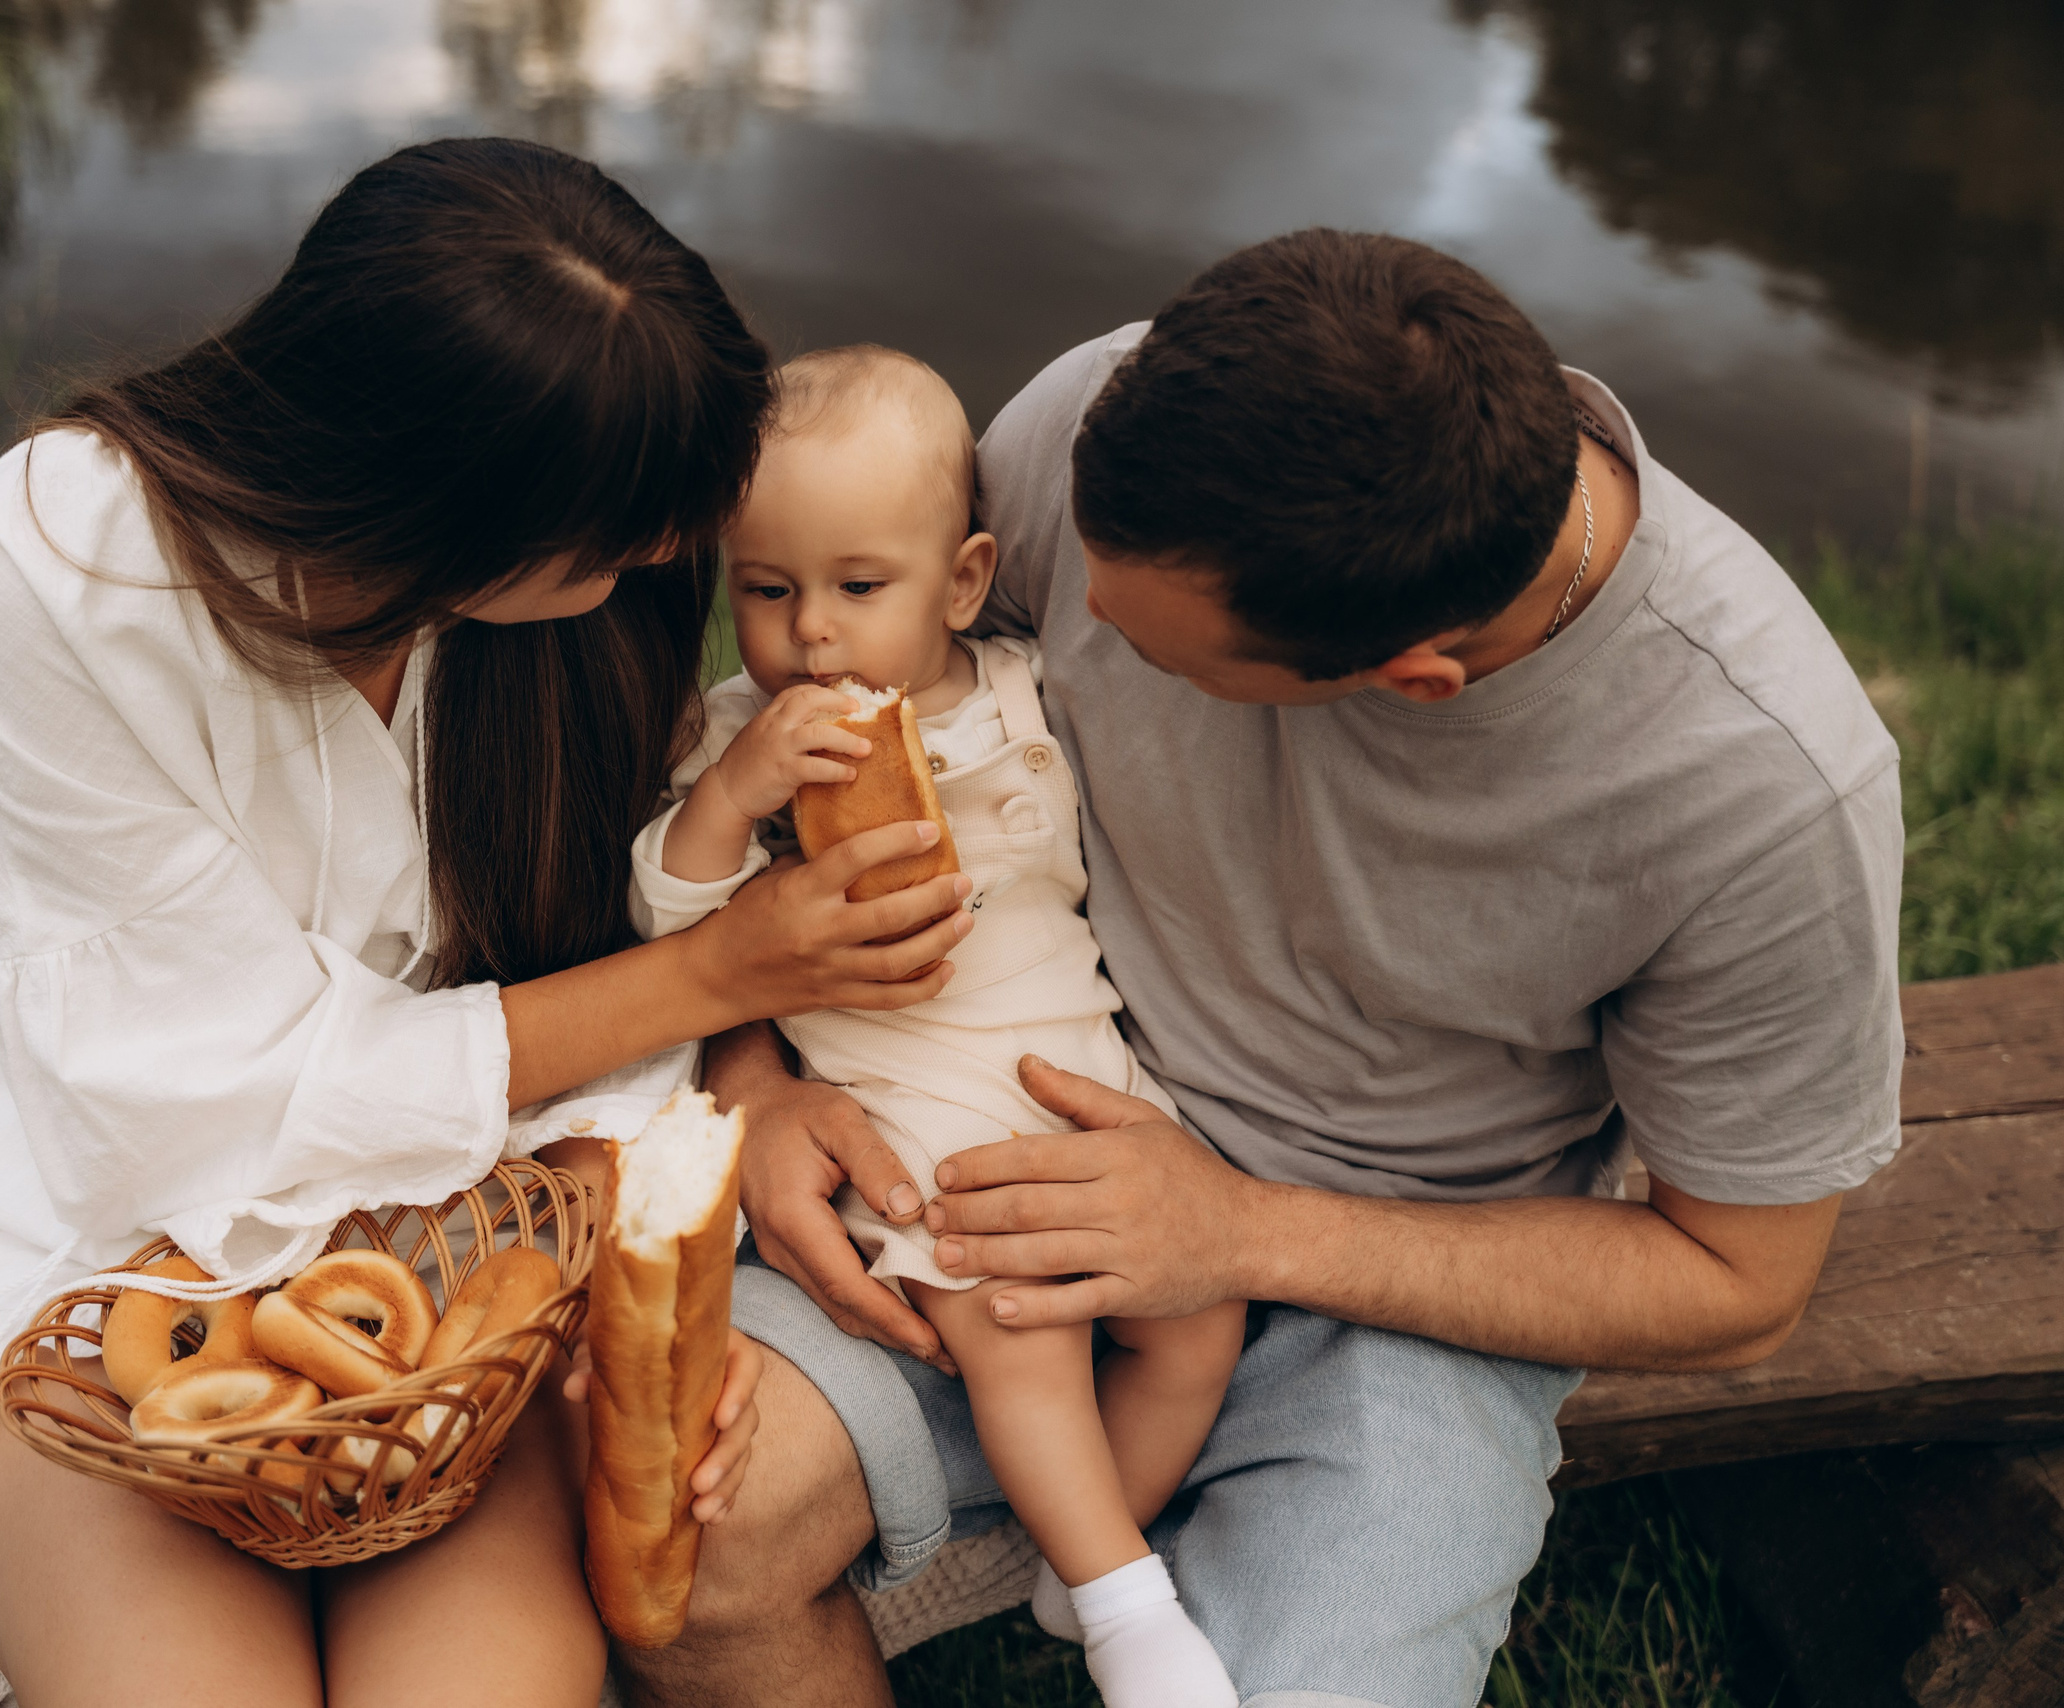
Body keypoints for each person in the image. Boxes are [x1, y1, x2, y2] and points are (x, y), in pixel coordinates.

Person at [616, 230, 1904, 1708]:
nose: (1077, 615)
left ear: (1410, 681)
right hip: (962, 1157)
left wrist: (1236, 1235)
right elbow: (814, 807)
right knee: (689, 1555)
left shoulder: (1761, 792)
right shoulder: (1108, 436)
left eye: (1155, 652)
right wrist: (753, 1078)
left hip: (1404, 1290)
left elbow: (1738, 1283)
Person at [0, 138, 975, 1708]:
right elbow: (178, 1098)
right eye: (624, 538)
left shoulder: (583, 578)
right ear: (435, 511)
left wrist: (646, 1227)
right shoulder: (63, 569)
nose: (666, 563)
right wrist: (712, 969)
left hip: (472, 1263)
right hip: (113, 1270)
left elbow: (600, 941)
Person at [629, 346, 1246, 1708]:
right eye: (768, 592)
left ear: (963, 581)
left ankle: (1061, 1560)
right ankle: (1127, 1606)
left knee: (1199, 1324)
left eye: (860, 588)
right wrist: (734, 796)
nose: (814, 637)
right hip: (916, 1123)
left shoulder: (1029, 690)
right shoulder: (746, 738)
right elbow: (671, 910)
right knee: (1017, 1328)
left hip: (1084, 1080)